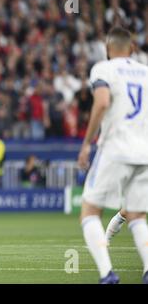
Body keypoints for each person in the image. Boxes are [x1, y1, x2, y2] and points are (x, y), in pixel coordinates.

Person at [77, 27, 148, 284]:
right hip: (144, 153)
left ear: (108, 49)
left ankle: (107, 274)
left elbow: (103, 101)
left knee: (89, 211)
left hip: (116, 148)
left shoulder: (103, 69)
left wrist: (87, 143)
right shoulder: (145, 72)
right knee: (137, 215)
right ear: (132, 48)